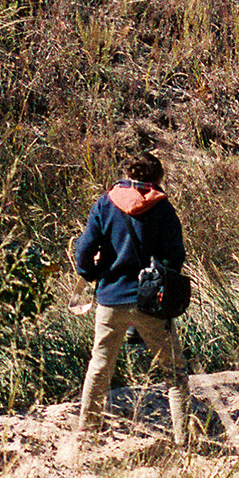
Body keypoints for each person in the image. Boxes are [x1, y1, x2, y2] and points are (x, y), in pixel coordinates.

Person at [73, 141, 192, 446]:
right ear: (157, 178)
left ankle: (87, 435)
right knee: (175, 374)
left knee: (100, 366)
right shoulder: (163, 208)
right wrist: (160, 281)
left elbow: (84, 248)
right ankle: (183, 441)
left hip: (110, 299)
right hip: (149, 302)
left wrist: (90, 274)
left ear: (127, 174)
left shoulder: (105, 203)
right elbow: (175, 256)